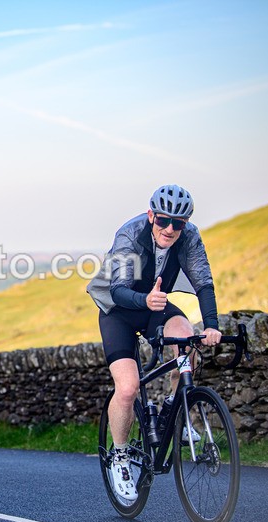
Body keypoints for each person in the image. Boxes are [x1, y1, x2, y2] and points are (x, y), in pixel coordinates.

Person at [87, 184, 221, 502]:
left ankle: (176, 412)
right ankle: (119, 458)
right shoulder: (130, 234)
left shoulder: (188, 237)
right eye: (163, 220)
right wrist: (145, 299)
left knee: (189, 342)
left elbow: (203, 282)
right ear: (151, 216)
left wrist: (212, 326)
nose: (170, 229)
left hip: (156, 306)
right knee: (128, 387)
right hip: (119, 311)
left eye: (178, 223)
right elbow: (117, 289)